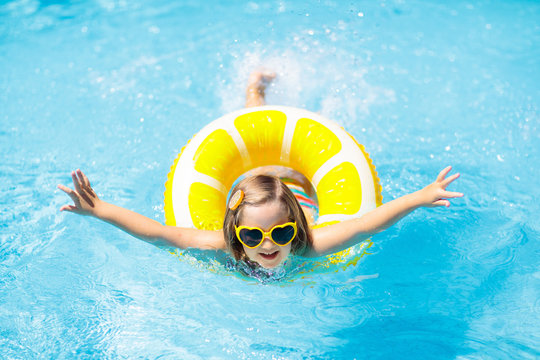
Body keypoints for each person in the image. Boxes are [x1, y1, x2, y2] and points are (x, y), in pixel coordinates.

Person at [58, 71, 463, 270]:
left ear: (295, 231)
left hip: (299, 192)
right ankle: (256, 94)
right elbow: (166, 235)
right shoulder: (226, 246)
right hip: (258, 193)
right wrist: (100, 210)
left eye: (281, 233)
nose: (267, 245)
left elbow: (366, 225)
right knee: (260, 147)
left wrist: (420, 197)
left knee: (281, 163)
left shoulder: (309, 245)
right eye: (253, 235)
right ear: (236, 232)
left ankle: (265, 106)